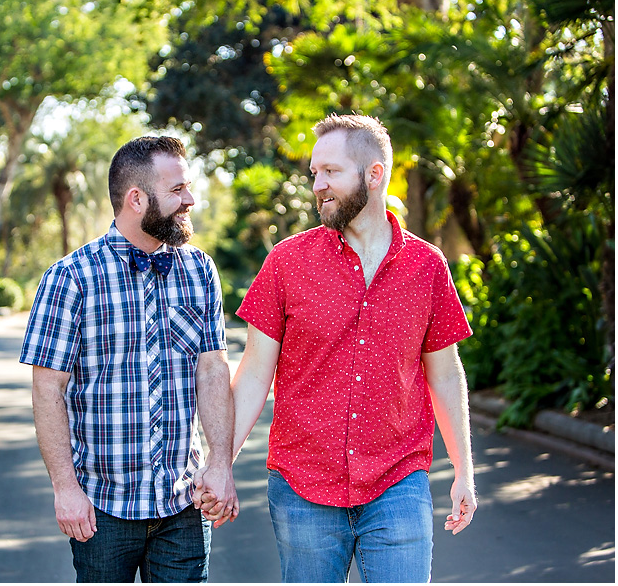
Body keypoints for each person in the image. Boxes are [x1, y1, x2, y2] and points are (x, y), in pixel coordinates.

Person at [197, 114, 476, 582]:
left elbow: (445, 373)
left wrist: (464, 471)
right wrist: (218, 461)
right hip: (302, 486)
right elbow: (253, 375)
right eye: (314, 173)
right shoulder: (287, 262)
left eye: (331, 172)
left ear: (374, 174)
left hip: (397, 480)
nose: (318, 185)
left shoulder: (427, 266)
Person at [20, 136, 238, 583]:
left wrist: (220, 464)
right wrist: (65, 489)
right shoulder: (70, 278)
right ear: (136, 199)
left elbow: (212, 369)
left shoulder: (199, 270)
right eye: (177, 190)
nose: (190, 200)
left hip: (183, 505)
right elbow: (48, 390)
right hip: (103, 509)